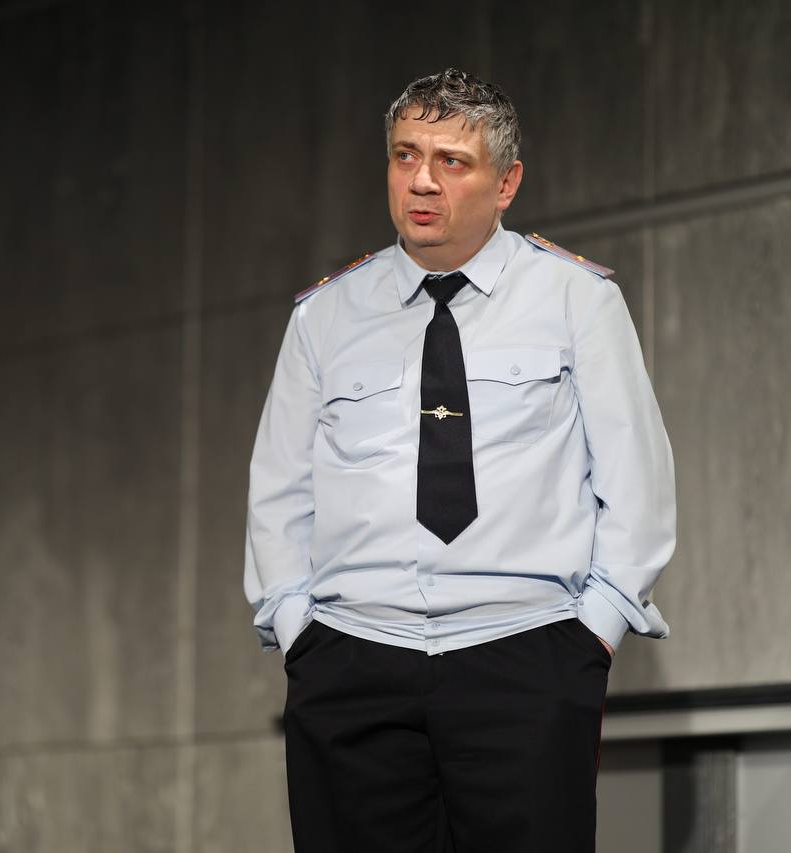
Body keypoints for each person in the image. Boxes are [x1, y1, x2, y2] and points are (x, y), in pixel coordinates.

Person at [242, 68, 676, 853]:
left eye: (452, 161)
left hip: (526, 657)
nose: (421, 181)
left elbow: (636, 484)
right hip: (351, 661)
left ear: (506, 183)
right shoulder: (324, 316)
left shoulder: (577, 300)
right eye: (405, 155)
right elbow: (278, 490)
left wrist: (590, 640)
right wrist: (301, 632)